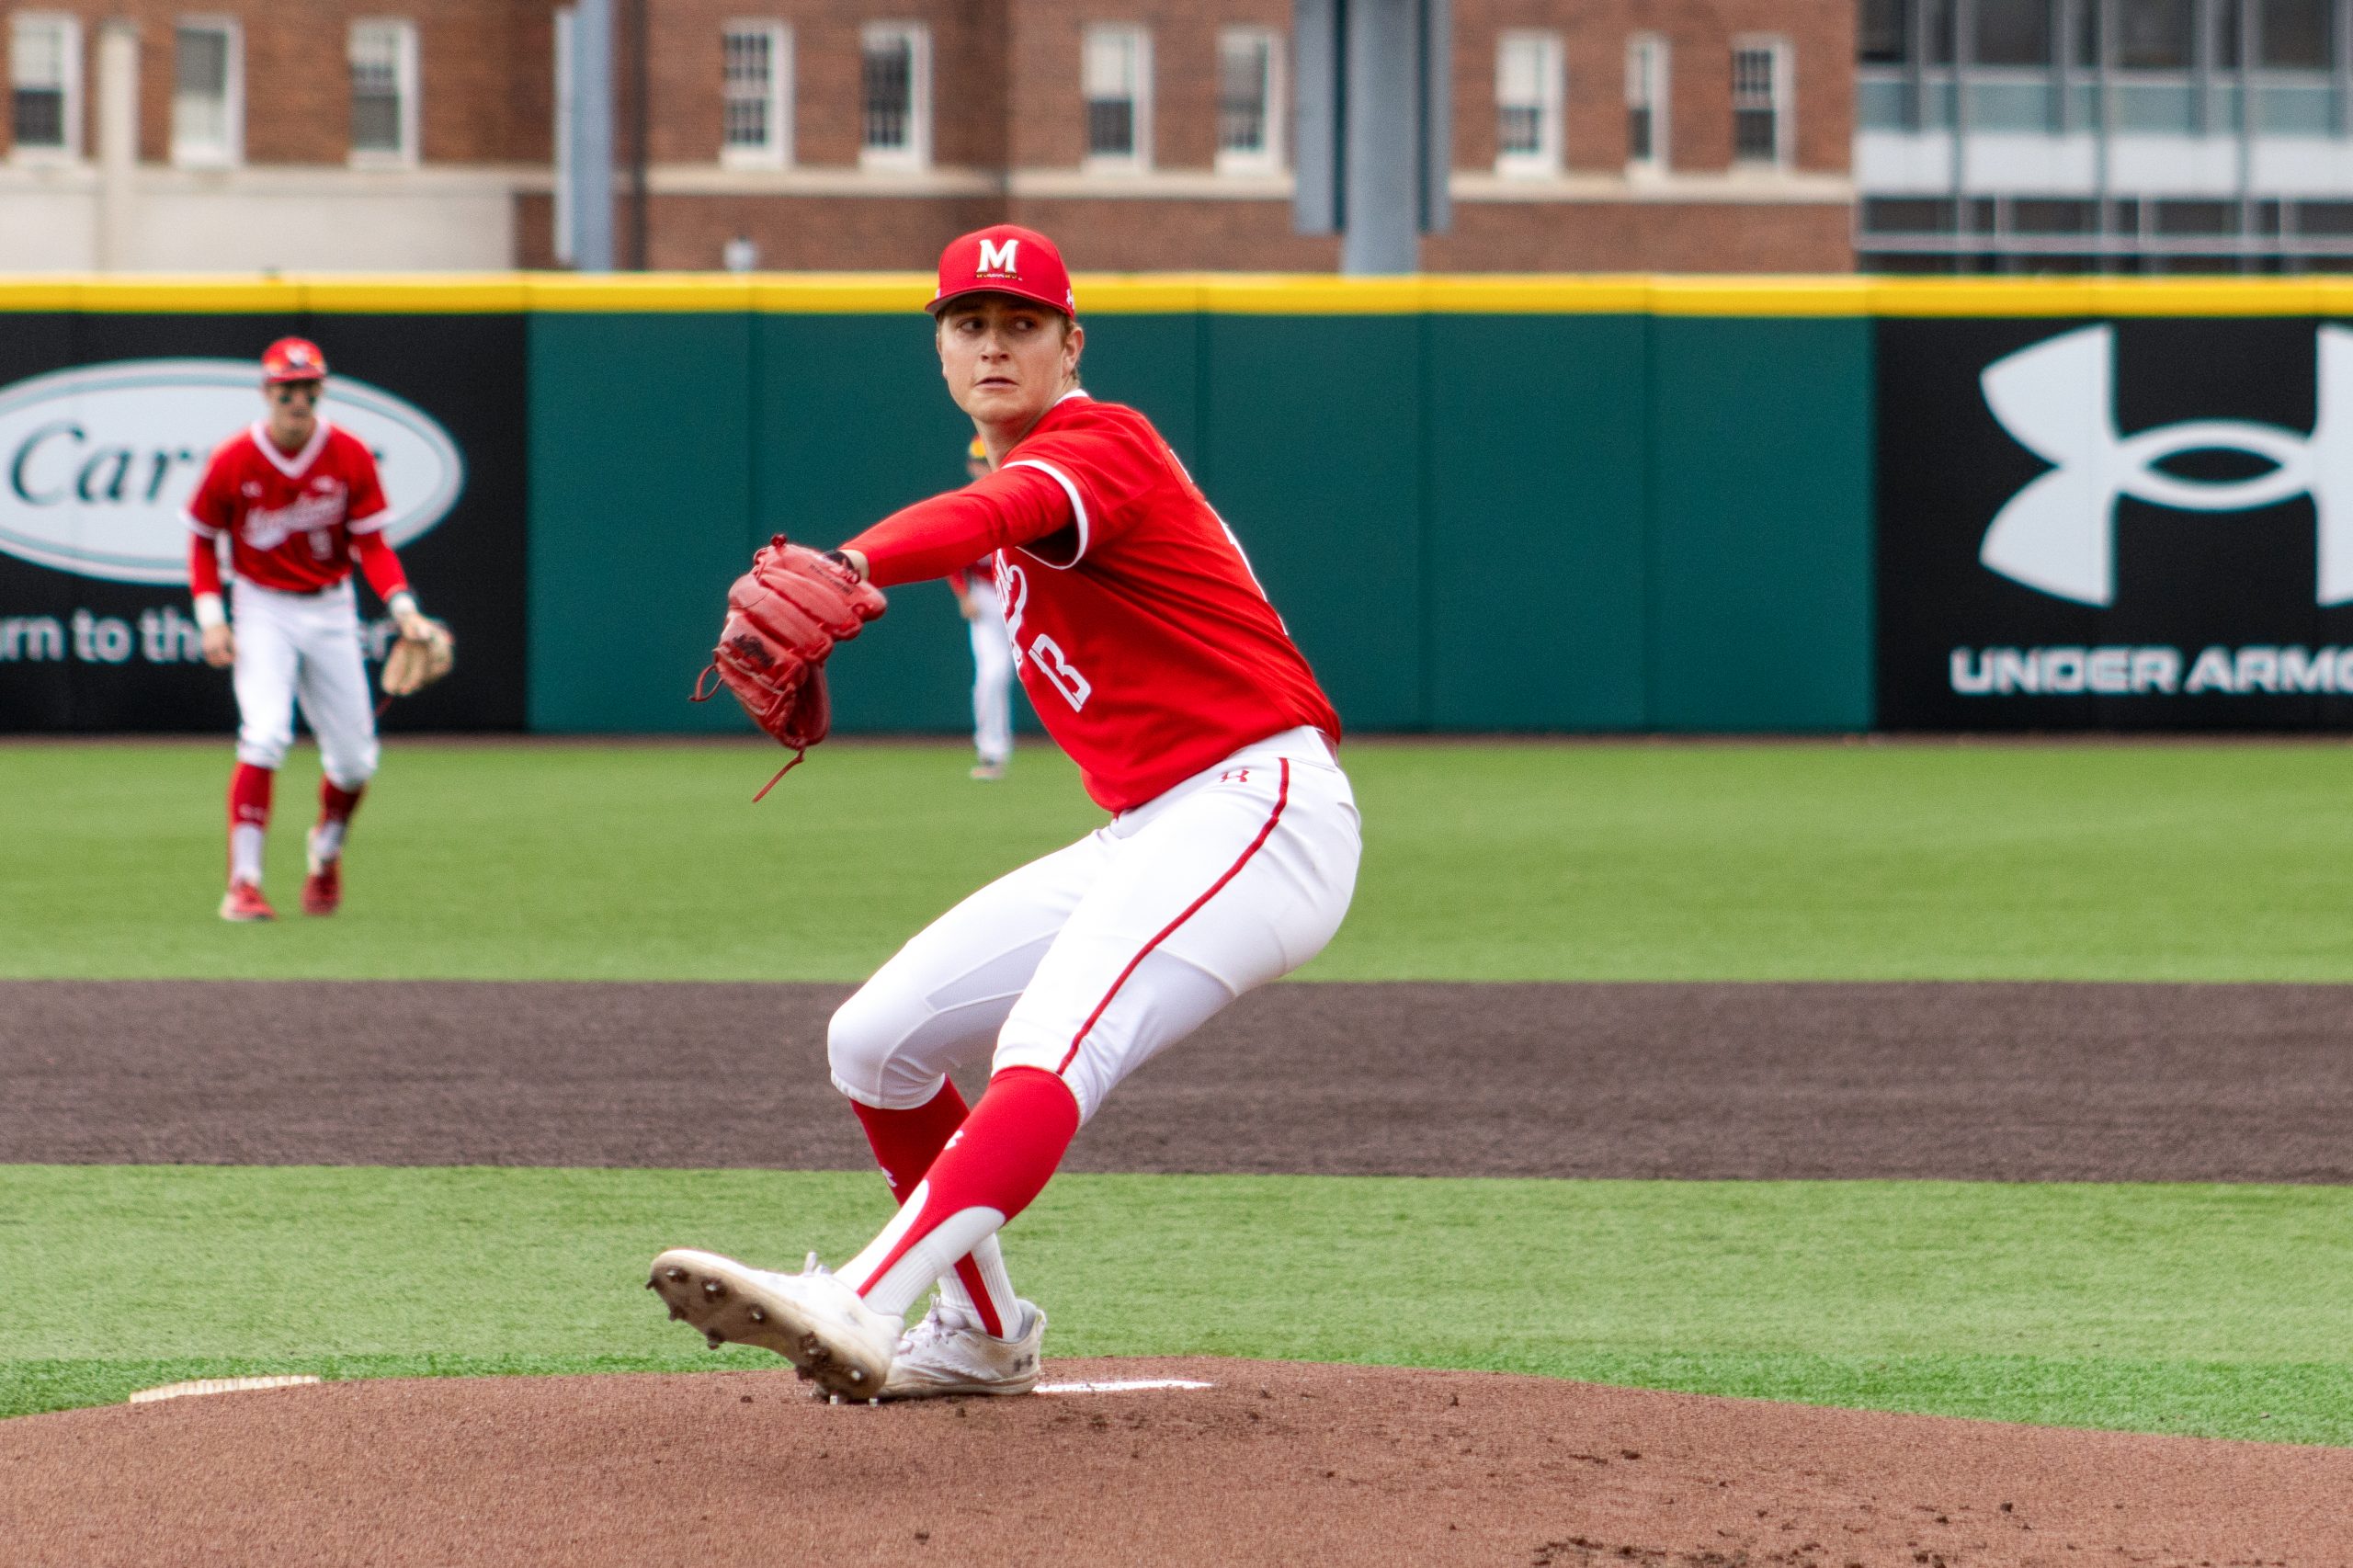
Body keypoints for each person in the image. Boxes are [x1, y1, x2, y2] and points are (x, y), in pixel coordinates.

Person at [649, 224, 1362, 1401]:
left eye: (1021, 324)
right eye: (969, 324)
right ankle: (980, 1332)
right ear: (938, 346)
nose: (993, 345)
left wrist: (851, 560)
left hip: (1261, 808)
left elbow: (992, 516)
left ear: (1069, 343)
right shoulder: (1022, 474)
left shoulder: (1101, 441)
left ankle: (859, 1296)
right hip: (1155, 822)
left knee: (1049, 1045)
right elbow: (996, 512)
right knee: (873, 1041)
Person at [186, 337, 439, 922]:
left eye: (308, 388)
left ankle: (325, 855)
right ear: (267, 391)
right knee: (265, 734)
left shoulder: (348, 453)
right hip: (262, 605)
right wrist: (211, 617)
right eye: (287, 388)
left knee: (355, 763)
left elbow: (371, 543)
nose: (298, 399)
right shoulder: (234, 458)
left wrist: (401, 604)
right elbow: (201, 539)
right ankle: (243, 885)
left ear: (320, 391)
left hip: (329, 607)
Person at [948, 436, 1017, 779]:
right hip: (987, 598)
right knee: (992, 674)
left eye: (988, 462)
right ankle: (992, 752)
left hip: (1023, 597)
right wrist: (963, 595)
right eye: (978, 463)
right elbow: (950, 554)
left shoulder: (1019, 498)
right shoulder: (965, 506)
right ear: (970, 466)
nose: (983, 469)